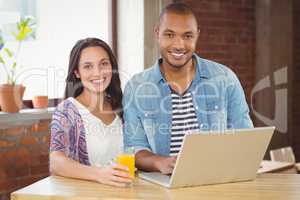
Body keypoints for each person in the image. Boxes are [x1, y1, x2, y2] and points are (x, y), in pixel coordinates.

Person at [123, 3, 253, 175]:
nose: (179, 45)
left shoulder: (225, 79)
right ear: (157, 33)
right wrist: (159, 162)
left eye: (187, 36)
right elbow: (134, 148)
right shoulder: (136, 87)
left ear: (197, 36)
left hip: (215, 182)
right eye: (169, 35)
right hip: (161, 188)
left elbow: (244, 138)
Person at [50, 38, 133, 187]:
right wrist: (99, 174)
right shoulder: (67, 111)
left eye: (104, 64)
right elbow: (56, 162)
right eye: (88, 66)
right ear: (76, 72)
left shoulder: (122, 106)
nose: (98, 72)